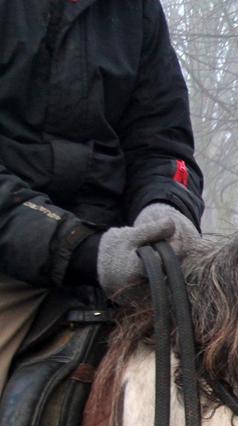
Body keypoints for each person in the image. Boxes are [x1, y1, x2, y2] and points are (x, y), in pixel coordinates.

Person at [0, 0, 205, 389]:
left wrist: (166, 209)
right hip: (12, 267)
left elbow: (162, 143)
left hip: (123, 263)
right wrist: (81, 250)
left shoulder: (138, 10)